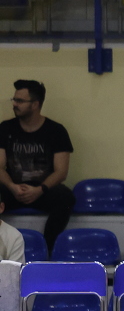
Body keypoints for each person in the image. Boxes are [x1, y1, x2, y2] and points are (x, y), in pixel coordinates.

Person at [0, 80, 75, 247]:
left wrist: (39, 190)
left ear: (35, 104)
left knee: (65, 197)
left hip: (43, 190)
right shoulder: (5, 128)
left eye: (19, 101)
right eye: (14, 99)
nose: (14, 104)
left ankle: (48, 248)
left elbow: (61, 172)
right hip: (13, 189)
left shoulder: (56, 131)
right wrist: (12, 186)